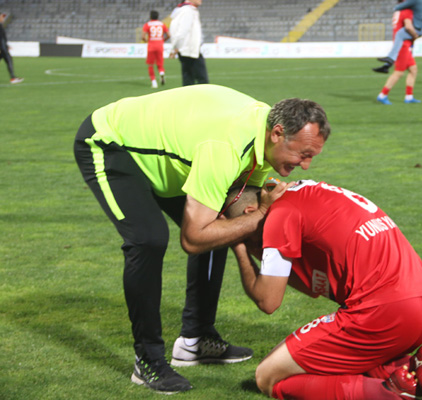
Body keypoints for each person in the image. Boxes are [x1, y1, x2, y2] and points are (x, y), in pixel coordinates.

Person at [73, 84, 331, 394]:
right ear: (277, 133)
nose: (305, 165)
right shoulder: (226, 146)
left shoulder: (263, 140)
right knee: (149, 239)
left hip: (171, 161)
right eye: (303, 154)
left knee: (220, 226)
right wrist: (258, 215)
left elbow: (234, 215)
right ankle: (149, 360)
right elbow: (193, 239)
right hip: (111, 143)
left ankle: (196, 340)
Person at [226, 180, 422, 400]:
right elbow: (314, 285)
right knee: (300, 360)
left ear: (249, 212)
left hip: (385, 313)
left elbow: (267, 301)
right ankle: (410, 368)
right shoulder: (305, 193)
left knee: (267, 376)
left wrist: (238, 246)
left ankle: (391, 394)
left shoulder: (279, 215)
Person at [376, 7, 421, 105]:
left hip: (403, 44)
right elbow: (408, 27)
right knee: (399, 72)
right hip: (402, 45)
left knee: (413, 69)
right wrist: (415, 35)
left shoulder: (399, 11)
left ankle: (409, 97)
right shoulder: (407, 11)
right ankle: (382, 95)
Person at [373, 0, 422, 73]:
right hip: (409, 36)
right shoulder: (412, 8)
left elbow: (408, 26)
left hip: (406, 39)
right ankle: (387, 65)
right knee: (412, 70)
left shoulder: (406, 11)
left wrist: (414, 35)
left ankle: (389, 61)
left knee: (399, 71)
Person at [169, 0, 208, 86]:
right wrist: (175, 47)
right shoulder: (188, 11)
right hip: (190, 51)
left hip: (187, 50)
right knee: (203, 81)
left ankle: (189, 99)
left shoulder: (184, 9)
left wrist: (176, 47)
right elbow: (182, 32)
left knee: (188, 80)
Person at [142, 10, 170, 89]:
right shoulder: (162, 24)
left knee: (150, 65)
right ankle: (161, 73)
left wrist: (146, 41)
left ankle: (154, 83)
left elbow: (143, 36)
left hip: (151, 45)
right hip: (160, 45)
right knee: (160, 64)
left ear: (150, 16)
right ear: (158, 16)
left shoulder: (147, 25)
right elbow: (169, 34)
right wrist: (163, 40)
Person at [0, 12, 23, 84]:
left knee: (9, 60)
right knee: (9, 60)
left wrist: (7, 45)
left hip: (3, 47)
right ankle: (13, 78)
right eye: (2, 17)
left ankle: (13, 77)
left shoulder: (1, 26)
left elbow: (3, 38)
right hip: (2, 48)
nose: (3, 18)